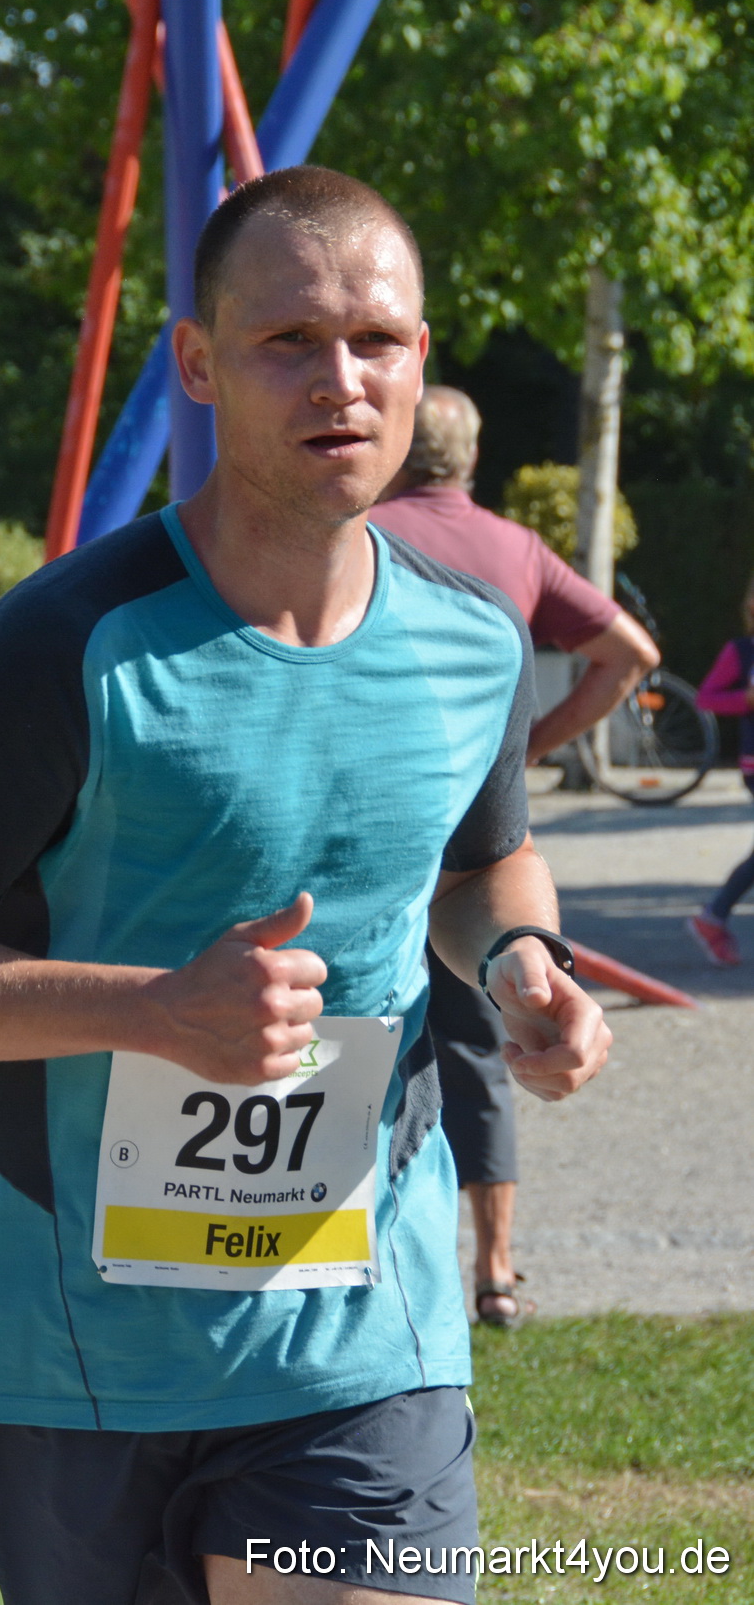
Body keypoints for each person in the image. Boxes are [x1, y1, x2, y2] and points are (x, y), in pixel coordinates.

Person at [0, 166, 610, 1605]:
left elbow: (481, 861)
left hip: (367, 1337)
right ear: (196, 364)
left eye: (375, 340)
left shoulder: (469, 644)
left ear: (420, 360)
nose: (340, 379)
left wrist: (515, 966)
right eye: (285, 340)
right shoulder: (62, 646)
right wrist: (157, 1013)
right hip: (81, 1357)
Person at [371, 388, 657, 1327]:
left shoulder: (353, 531)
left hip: (362, 822)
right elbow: (629, 653)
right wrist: (527, 745)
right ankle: (493, 1270)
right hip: (479, 837)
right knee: (486, 1042)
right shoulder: (513, 548)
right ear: (472, 456)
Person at [687, 573, 754, 965]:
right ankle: (713, 916)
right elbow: (706, 698)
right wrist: (745, 699)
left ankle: (713, 916)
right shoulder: (741, 652)